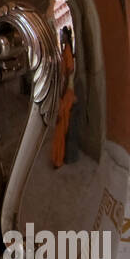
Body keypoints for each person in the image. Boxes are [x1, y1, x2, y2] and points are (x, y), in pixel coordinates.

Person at [52, 26, 76, 168]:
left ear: (66, 36)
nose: (61, 36)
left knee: (61, 126)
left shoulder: (67, 50)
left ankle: (58, 159)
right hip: (66, 90)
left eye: (62, 34)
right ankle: (59, 157)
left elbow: (68, 74)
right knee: (61, 125)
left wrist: (62, 92)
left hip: (66, 92)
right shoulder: (66, 49)